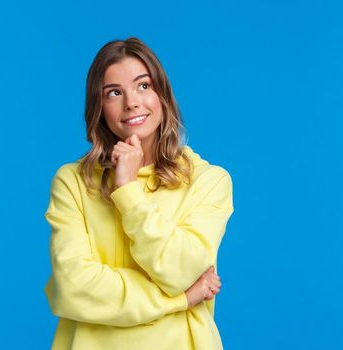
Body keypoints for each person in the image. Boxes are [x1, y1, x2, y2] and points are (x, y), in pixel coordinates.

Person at [44, 37, 234, 349]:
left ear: (162, 94)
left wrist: (129, 190)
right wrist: (180, 300)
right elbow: (74, 287)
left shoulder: (209, 181)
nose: (131, 102)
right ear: (99, 107)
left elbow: (181, 271)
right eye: (114, 93)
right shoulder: (72, 182)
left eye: (143, 86)